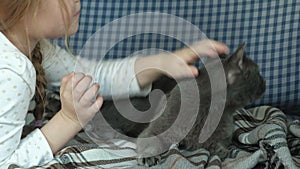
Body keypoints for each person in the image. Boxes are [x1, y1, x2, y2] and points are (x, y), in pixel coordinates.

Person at [0, 0, 229, 168]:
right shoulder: (12, 69)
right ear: (21, 6)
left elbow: (96, 75)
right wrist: (69, 119)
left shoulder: (32, 44)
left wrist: (164, 62)